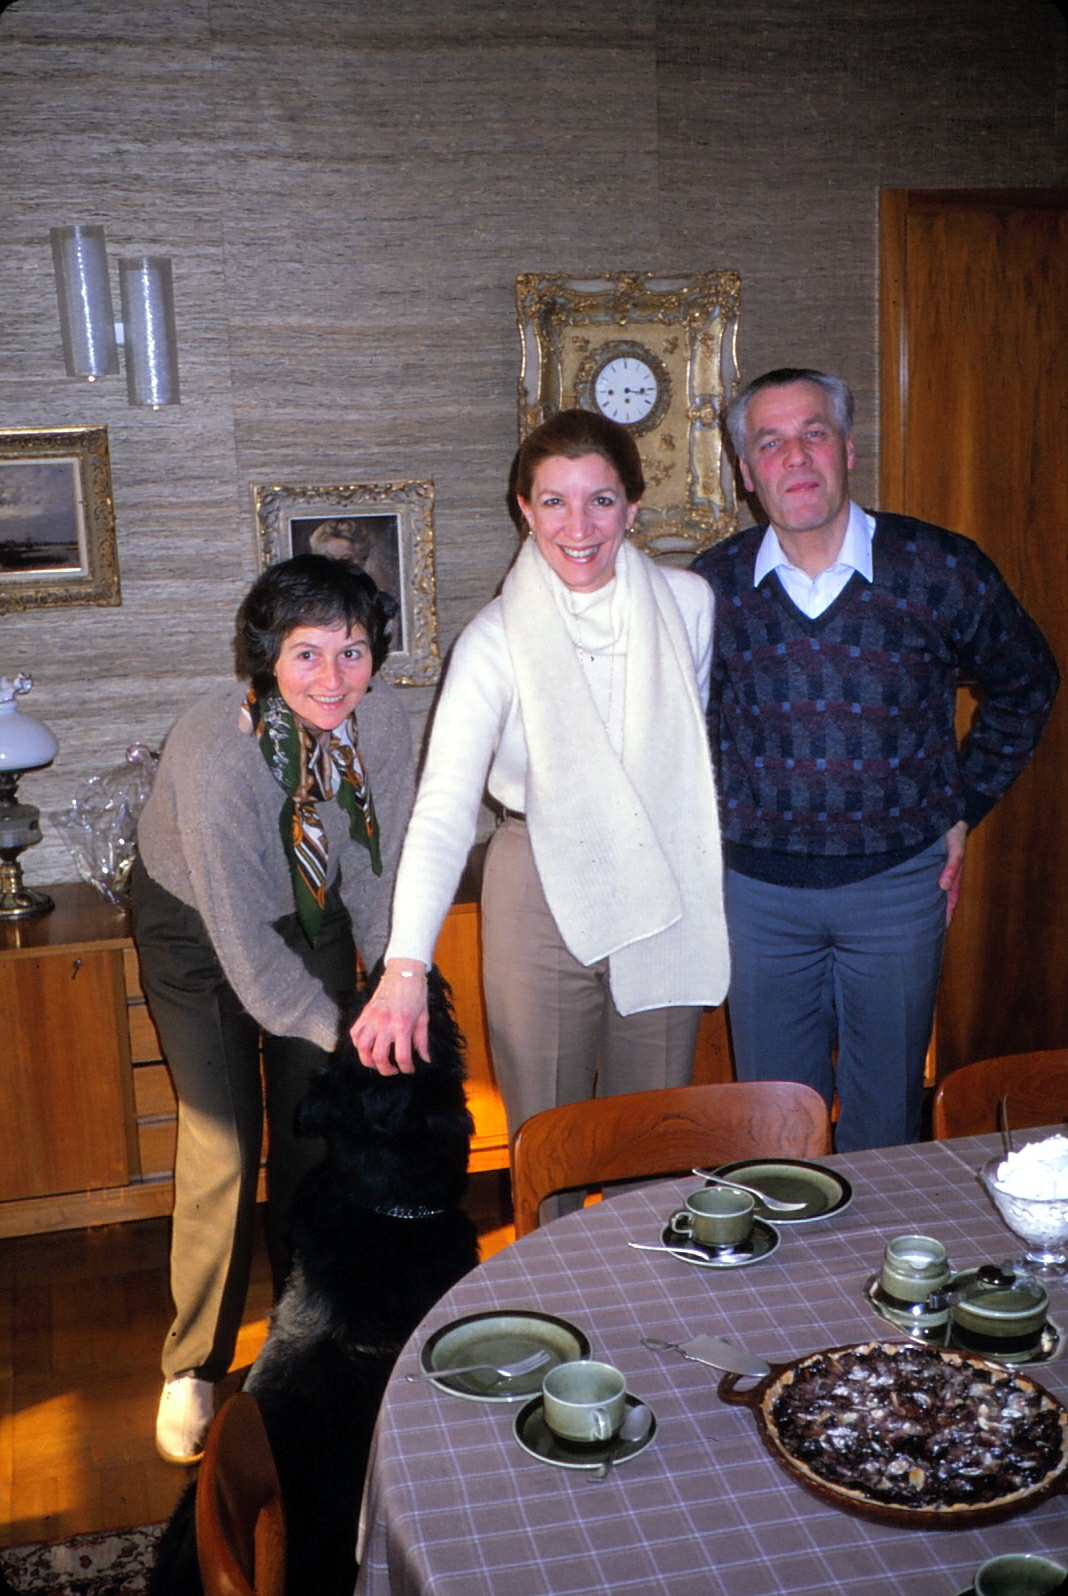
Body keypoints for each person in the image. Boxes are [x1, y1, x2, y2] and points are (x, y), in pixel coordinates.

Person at [690, 367, 1059, 1153]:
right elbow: (674, 727)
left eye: (814, 433)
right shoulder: (710, 588)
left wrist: (965, 806)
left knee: (887, 1115)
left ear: (849, 449)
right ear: (746, 474)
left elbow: (1028, 681)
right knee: (775, 1120)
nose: (796, 457)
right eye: (771, 442)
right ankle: (788, 1273)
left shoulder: (939, 567)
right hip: (758, 897)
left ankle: (875, 1270)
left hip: (898, 890)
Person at [352, 408, 730, 1167]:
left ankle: (647, 1286)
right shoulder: (492, 640)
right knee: (549, 1138)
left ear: (632, 507)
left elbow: (682, 753)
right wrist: (404, 967)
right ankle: (554, 1285)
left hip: (663, 867)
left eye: (601, 499)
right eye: (554, 500)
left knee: (651, 1139)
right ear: (524, 509)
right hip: (536, 878)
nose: (578, 525)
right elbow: (444, 810)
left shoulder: (691, 604)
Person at [130, 554, 413, 1465]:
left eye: (354, 651)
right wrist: (352, 1035)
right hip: (196, 925)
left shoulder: (388, 719)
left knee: (311, 1126)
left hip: (309, 902)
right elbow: (249, 960)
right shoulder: (215, 755)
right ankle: (193, 1366)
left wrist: (389, 991)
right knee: (223, 1139)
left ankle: (303, 1328)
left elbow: (376, 867)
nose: (333, 679)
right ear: (264, 658)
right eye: (307, 655)